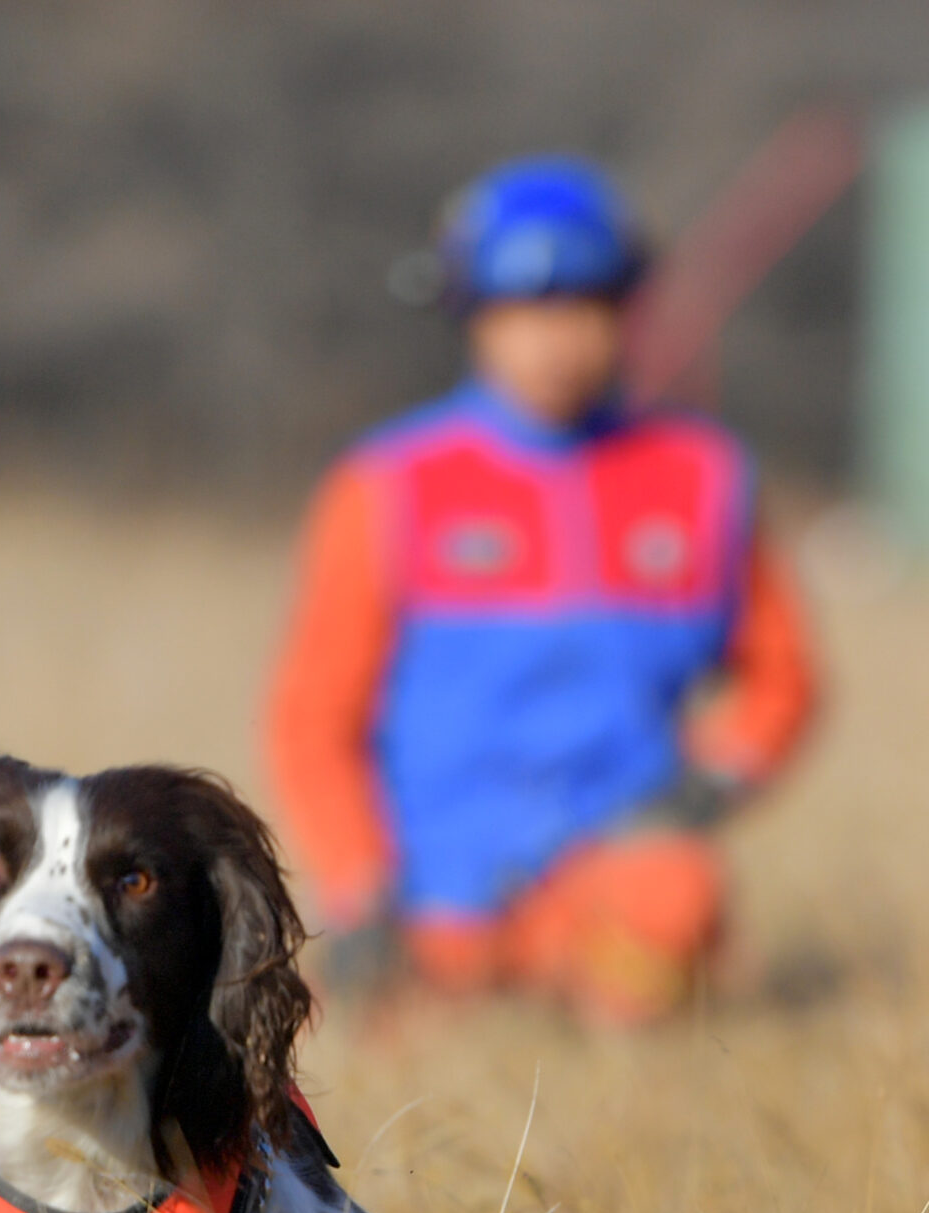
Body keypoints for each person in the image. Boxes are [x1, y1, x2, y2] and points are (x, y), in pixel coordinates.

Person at [267, 156, 819, 1026]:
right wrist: (357, 888)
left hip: (611, 896)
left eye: (585, 305)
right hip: (425, 905)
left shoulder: (701, 479)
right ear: (470, 315)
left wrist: (705, 785)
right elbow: (313, 719)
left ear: (626, 309)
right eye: (522, 309)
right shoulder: (387, 485)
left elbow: (783, 678)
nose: (555, 338)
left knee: (675, 894)